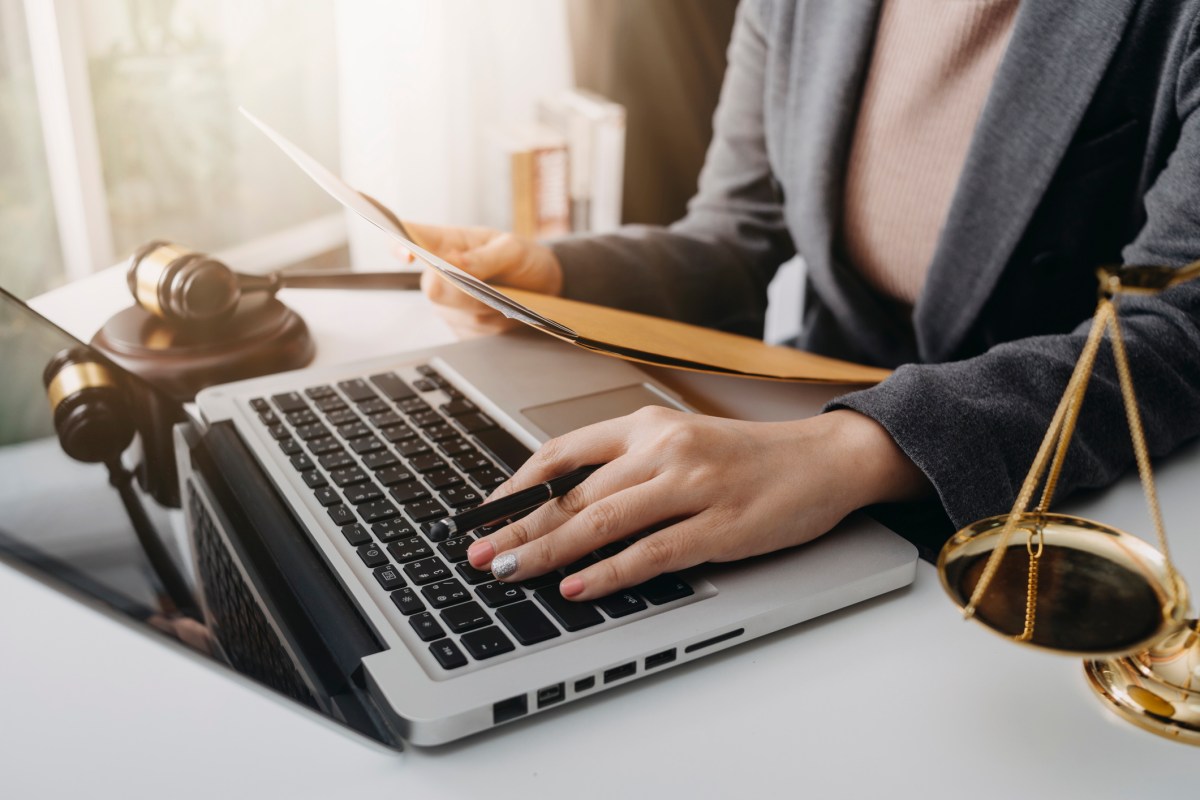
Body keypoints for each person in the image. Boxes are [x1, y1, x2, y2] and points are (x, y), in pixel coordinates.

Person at [404, 1, 1200, 602]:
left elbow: (1174, 332)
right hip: (795, 447)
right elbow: (737, 233)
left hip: (1057, 517)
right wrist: (556, 278)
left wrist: (855, 449)